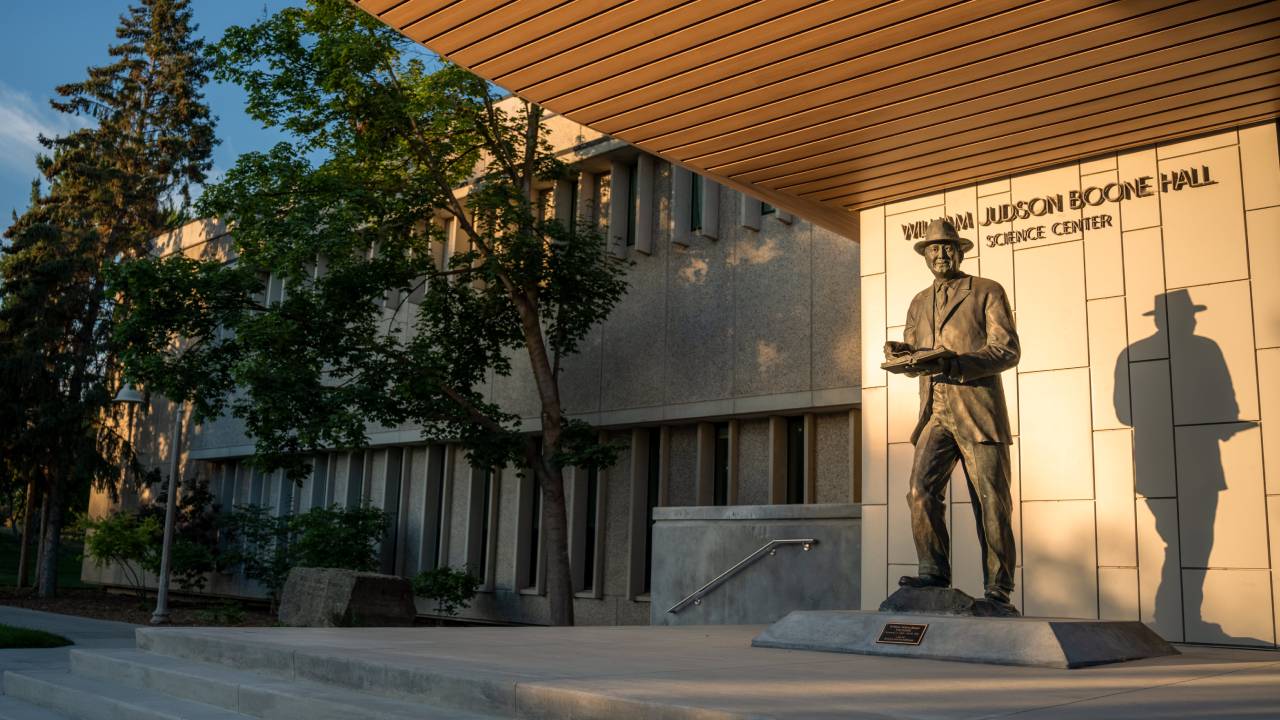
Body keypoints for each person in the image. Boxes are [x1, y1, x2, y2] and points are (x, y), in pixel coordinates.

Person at [885, 218, 1020, 610]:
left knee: (991, 500)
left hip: (976, 408)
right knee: (919, 491)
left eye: (948, 248)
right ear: (925, 255)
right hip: (935, 411)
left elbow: (1006, 350)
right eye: (933, 249)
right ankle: (933, 571)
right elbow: (916, 351)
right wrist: (903, 357)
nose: (940, 254)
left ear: (960, 251)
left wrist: (957, 363)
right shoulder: (918, 301)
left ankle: (998, 589)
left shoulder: (986, 291)